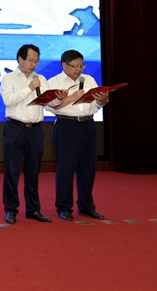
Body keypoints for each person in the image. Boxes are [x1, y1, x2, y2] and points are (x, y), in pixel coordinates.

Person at [0, 44, 65, 224]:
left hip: (35, 129)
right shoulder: (9, 78)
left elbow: (49, 104)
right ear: (20, 59)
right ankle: (11, 210)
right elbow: (8, 101)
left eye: (36, 61)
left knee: (33, 171)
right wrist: (29, 88)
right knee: (12, 171)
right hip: (15, 128)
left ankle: (33, 209)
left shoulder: (41, 79)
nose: (34, 64)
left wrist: (58, 99)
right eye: (30, 60)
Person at [45, 50, 109, 221]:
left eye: (81, 66)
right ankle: (64, 207)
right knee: (65, 169)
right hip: (66, 126)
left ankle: (86, 207)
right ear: (64, 65)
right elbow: (49, 107)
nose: (79, 69)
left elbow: (97, 105)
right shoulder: (54, 82)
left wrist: (102, 99)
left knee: (88, 168)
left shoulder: (89, 80)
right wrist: (71, 97)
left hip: (88, 124)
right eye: (75, 66)